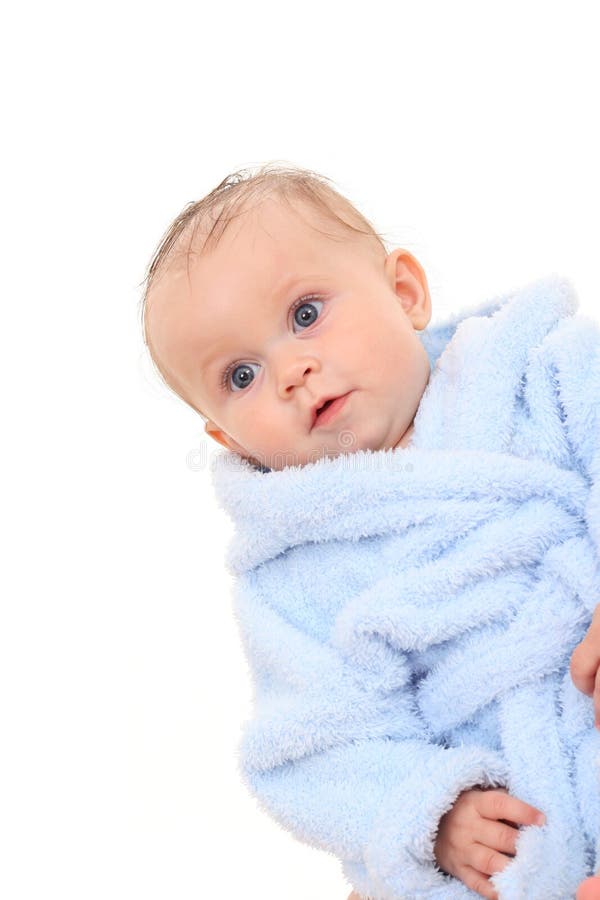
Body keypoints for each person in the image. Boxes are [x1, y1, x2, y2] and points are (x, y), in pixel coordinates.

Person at [141, 163, 600, 899]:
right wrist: (433, 810)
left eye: (304, 314)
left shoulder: (536, 366)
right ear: (228, 439)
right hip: (513, 825)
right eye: (241, 375)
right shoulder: (291, 572)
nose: (291, 370)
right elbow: (318, 740)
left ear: (405, 293)